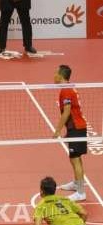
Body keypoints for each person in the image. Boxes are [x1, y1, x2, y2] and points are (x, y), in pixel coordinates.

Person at [53, 65, 87, 201]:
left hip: (77, 128)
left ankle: (80, 192)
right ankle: (77, 183)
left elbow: (67, 112)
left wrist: (57, 130)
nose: (54, 75)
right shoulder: (68, 87)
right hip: (75, 128)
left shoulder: (66, 90)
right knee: (75, 158)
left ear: (61, 76)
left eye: (56, 73)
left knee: (75, 159)